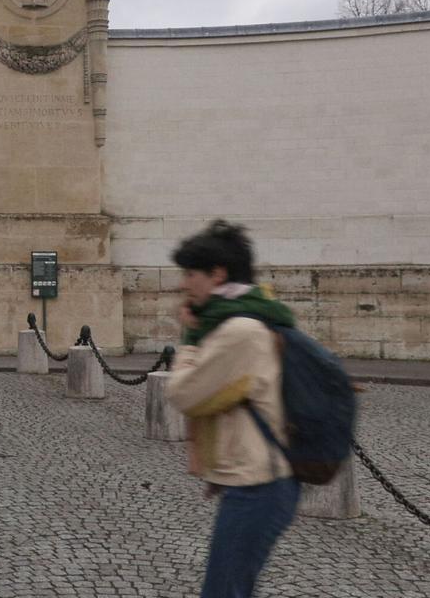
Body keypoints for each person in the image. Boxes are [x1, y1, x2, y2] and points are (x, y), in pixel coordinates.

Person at [165, 219, 299, 598]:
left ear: (217, 274)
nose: (183, 283)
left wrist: (190, 340)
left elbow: (183, 393)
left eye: (190, 273)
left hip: (259, 487)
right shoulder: (241, 321)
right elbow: (227, 402)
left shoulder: (239, 331)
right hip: (251, 481)